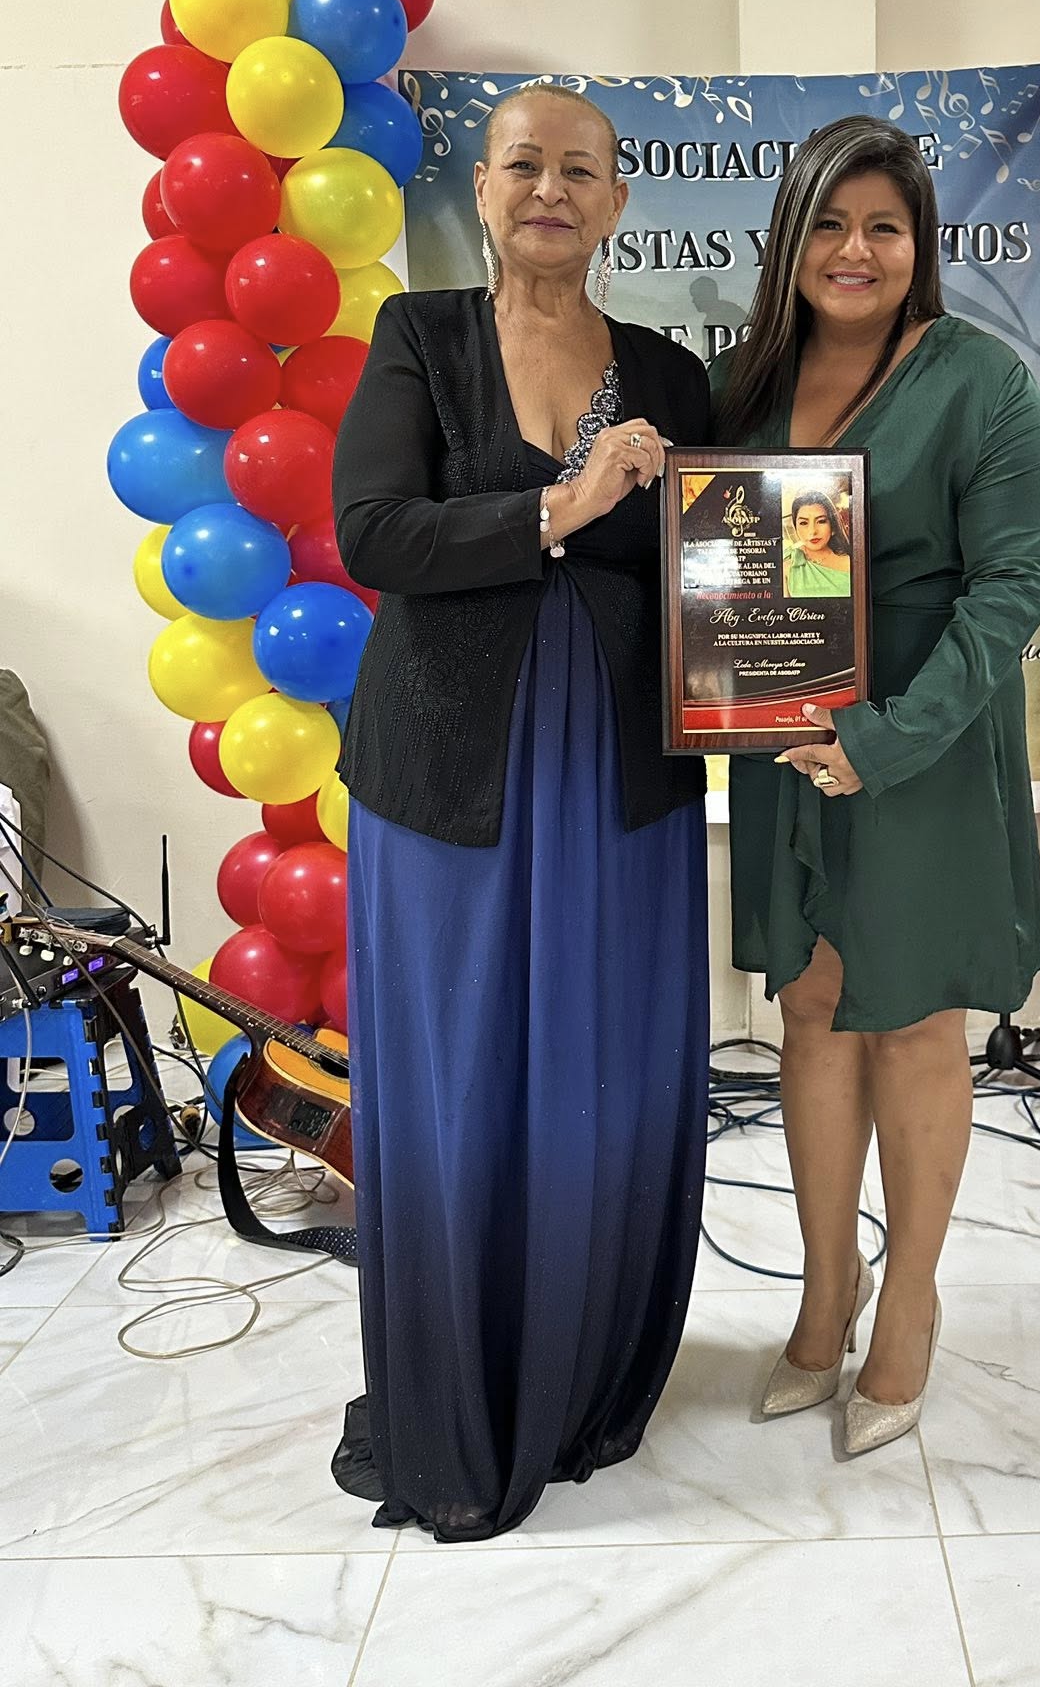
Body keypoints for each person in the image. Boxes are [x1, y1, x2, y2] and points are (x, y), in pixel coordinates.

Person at [331, 84, 712, 1541]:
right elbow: (376, 533)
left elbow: (726, 569)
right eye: (524, 165)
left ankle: (585, 1364)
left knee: (602, 1061)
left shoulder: (671, 372)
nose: (551, 189)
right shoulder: (418, 336)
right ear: (483, 190)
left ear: (618, 202)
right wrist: (561, 506)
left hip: (619, 771)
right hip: (446, 767)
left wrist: (791, 687)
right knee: (458, 1064)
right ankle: (462, 1382)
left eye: (580, 170)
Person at [712, 115, 1040, 1454]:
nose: (853, 249)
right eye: (828, 222)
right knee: (811, 1008)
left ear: (920, 245)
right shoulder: (742, 384)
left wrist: (886, 738)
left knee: (914, 1019)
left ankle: (909, 1295)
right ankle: (828, 1285)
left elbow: (1011, 589)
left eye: (884, 226)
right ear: (789, 238)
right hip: (785, 752)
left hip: (923, 745)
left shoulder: (984, 382)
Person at [784, 490, 853, 597]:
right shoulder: (787, 566)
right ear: (796, 527)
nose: (812, 531)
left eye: (821, 521)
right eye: (803, 523)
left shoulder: (852, 561)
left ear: (833, 526)